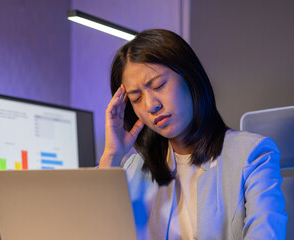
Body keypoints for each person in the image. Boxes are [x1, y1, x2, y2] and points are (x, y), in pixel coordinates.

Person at [98, 29, 287, 239]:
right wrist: (112, 155)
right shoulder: (133, 169)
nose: (151, 105)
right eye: (136, 98)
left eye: (159, 85)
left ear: (189, 77)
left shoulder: (252, 154)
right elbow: (91, 231)